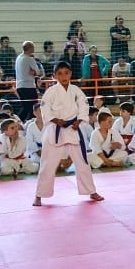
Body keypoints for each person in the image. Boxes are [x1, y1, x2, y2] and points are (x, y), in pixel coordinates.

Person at [33, 62, 104, 207]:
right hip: (55, 129)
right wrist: (54, 119)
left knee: (82, 163)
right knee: (47, 164)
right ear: (54, 76)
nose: (63, 76)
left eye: (66, 73)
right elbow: (45, 108)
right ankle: (39, 195)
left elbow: (84, 106)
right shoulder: (51, 92)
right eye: (59, 73)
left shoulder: (76, 90)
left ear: (71, 74)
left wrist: (79, 121)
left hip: (72, 128)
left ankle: (91, 191)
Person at [15, 41, 45, 122]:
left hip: (19, 86)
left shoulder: (18, 58)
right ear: (30, 48)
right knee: (33, 108)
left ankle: (17, 120)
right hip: (28, 87)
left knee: (25, 107)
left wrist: (32, 72)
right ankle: (30, 123)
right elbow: (38, 72)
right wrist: (34, 72)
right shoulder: (29, 59)